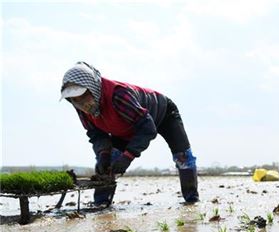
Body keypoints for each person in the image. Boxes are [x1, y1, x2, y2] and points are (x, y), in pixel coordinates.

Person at [60, 62, 199, 204]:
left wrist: (128, 156)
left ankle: (191, 199)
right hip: (124, 128)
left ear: (92, 88)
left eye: (83, 96)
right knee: (107, 163)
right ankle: (101, 204)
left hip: (161, 114)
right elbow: (96, 134)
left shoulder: (118, 95)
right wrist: (103, 154)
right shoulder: (82, 108)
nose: (81, 103)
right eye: (75, 100)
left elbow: (147, 128)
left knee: (183, 157)